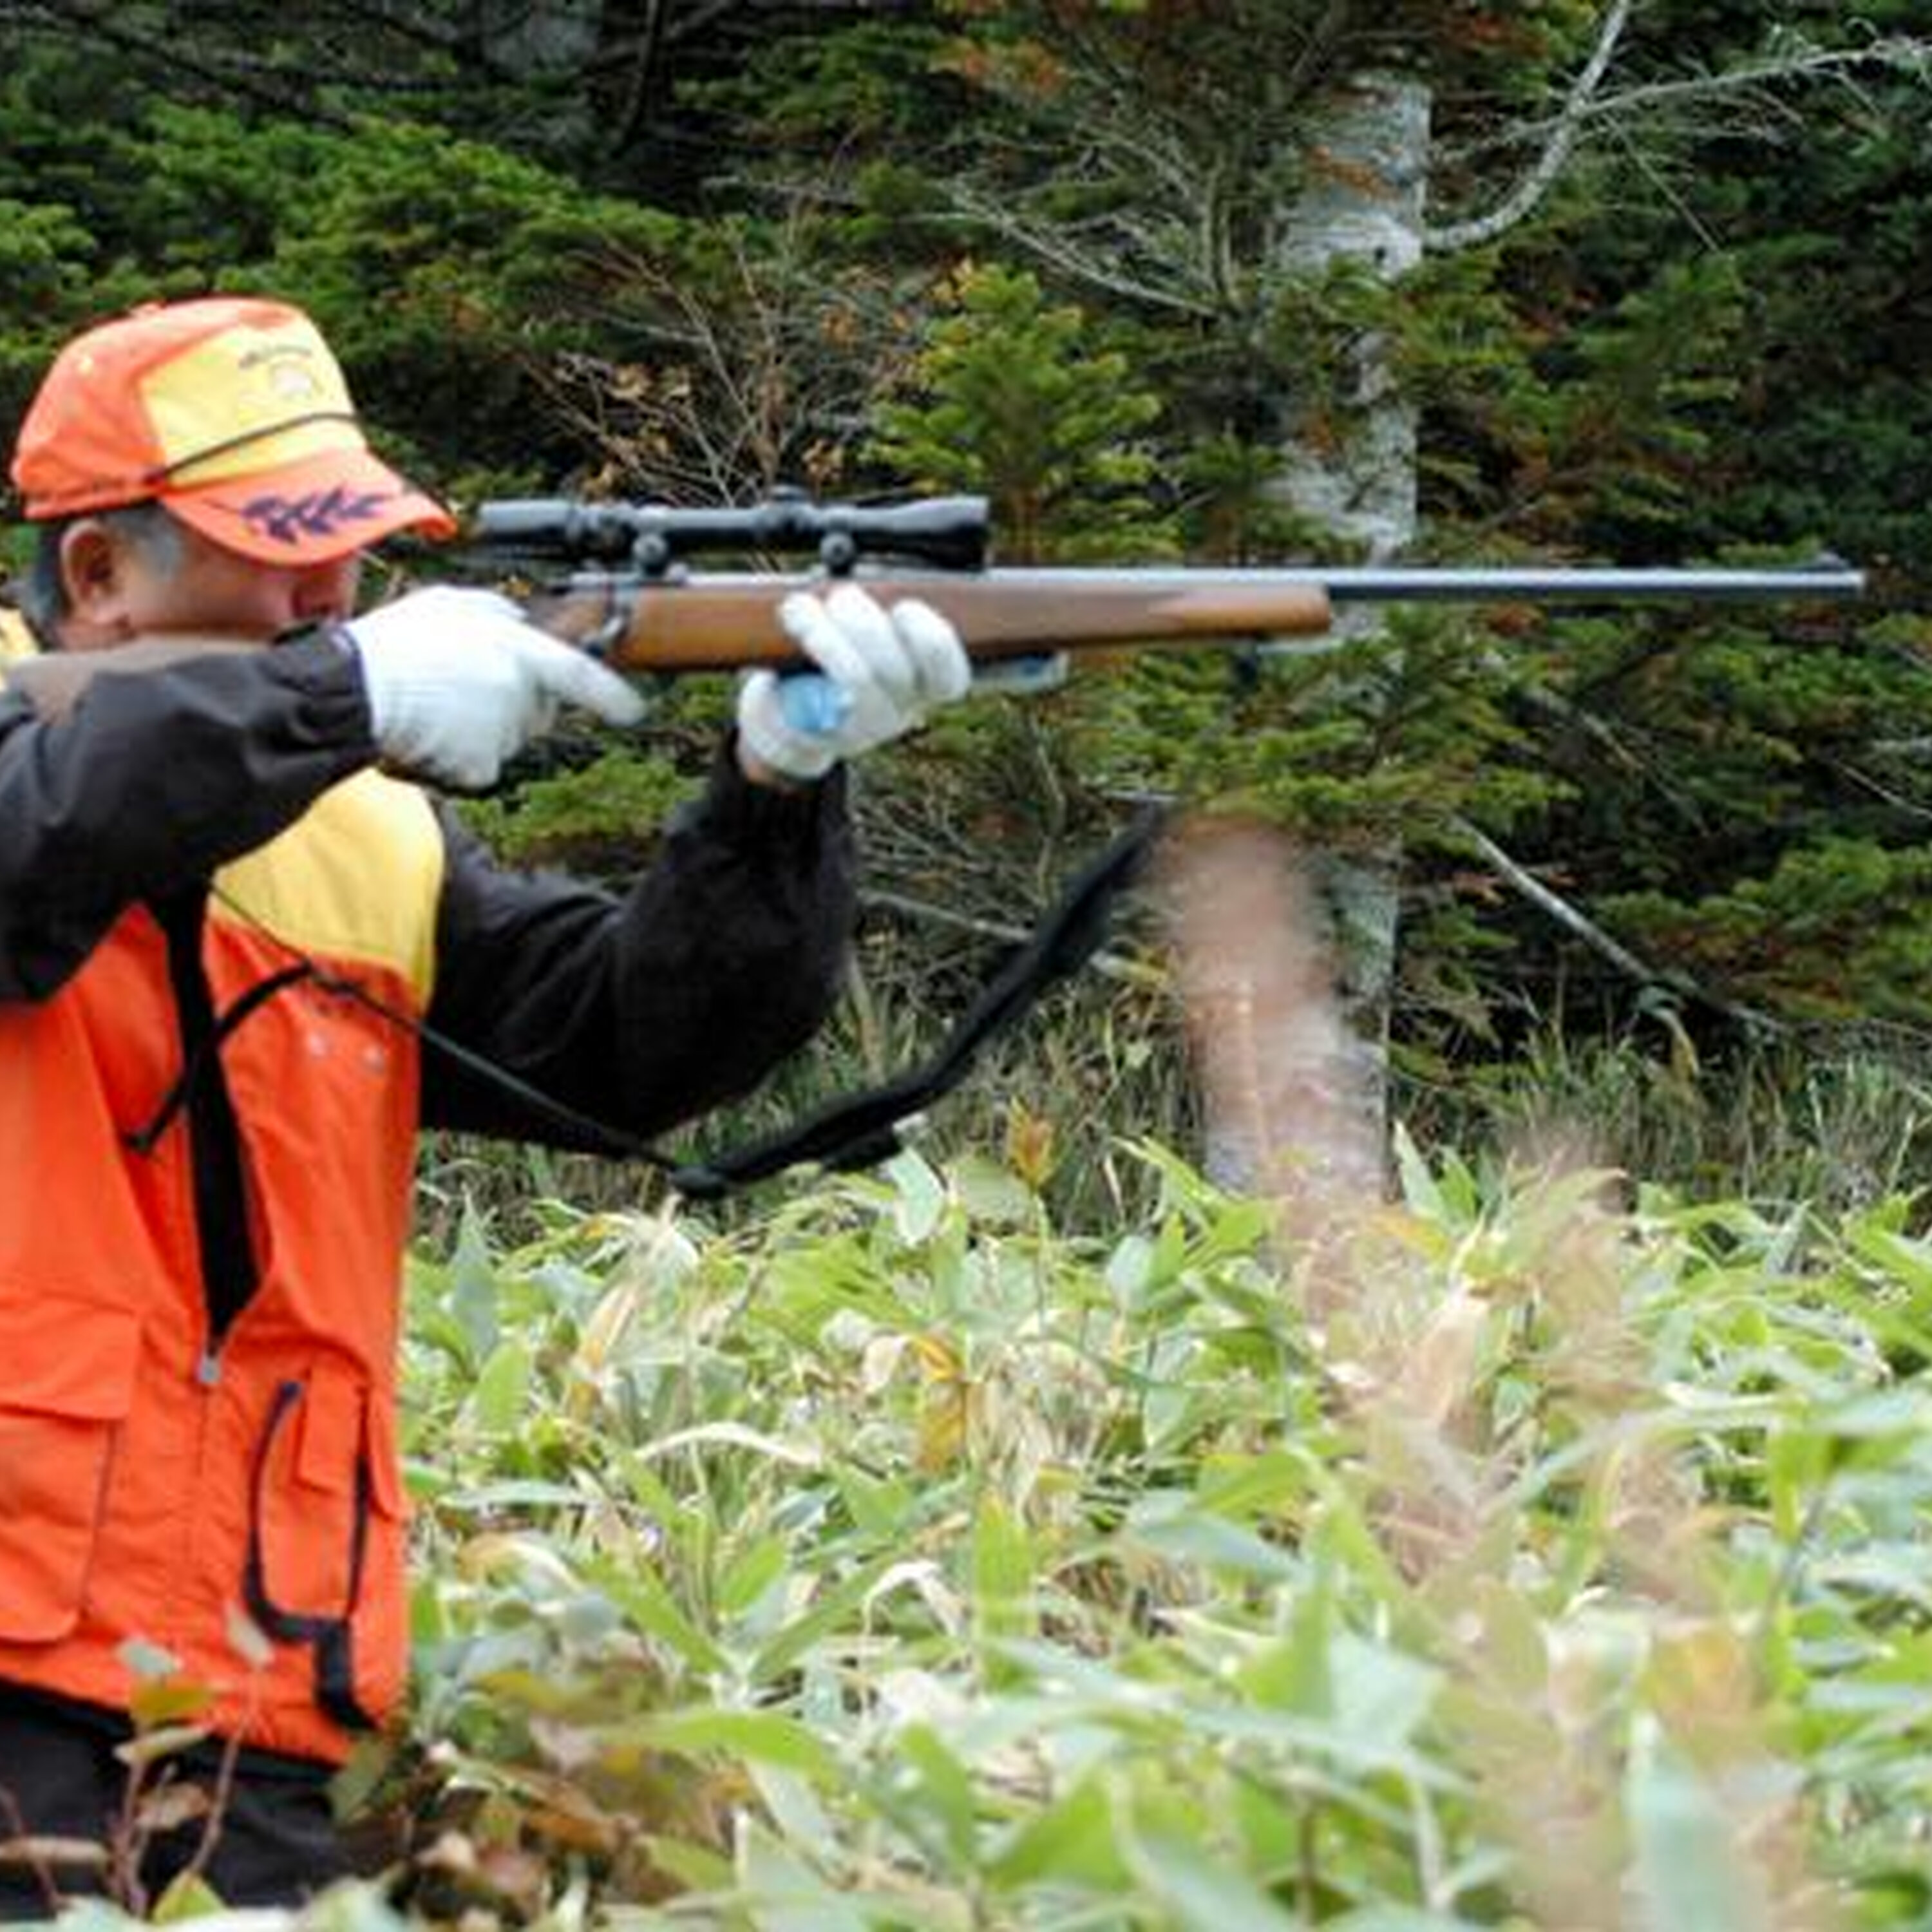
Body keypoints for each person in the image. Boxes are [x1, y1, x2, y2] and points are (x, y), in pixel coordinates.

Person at [0, 295, 971, 1915]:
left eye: (351, 553)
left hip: (251, 1701)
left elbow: (622, 1049)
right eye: (276, 549)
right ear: (96, 575)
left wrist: (776, 795)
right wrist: (339, 697)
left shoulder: (364, 843)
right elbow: (50, 826)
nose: (331, 594)